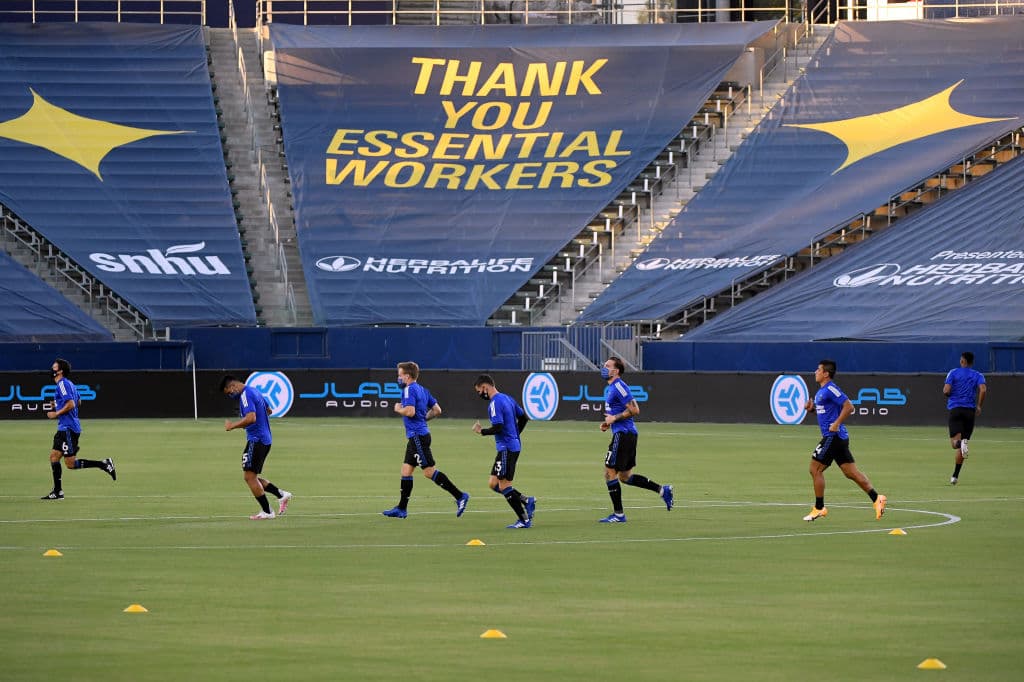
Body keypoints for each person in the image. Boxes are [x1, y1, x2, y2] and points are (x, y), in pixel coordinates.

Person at [382, 362, 469, 519]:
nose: (398, 378)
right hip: (417, 436)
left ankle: (460, 496)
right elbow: (437, 410)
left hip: (417, 437)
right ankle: (401, 508)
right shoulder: (423, 390)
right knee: (406, 471)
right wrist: (423, 420)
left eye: (400, 375)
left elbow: (410, 411)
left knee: (429, 472)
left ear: (407, 376)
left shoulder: (408, 390)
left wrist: (398, 409)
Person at [802, 360, 886, 522]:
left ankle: (819, 508)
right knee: (851, 473)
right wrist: (811, 409)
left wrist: (837, 423)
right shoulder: (821, 392)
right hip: (838, 437)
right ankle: (877, 498)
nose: (815, 372)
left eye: (818, 369)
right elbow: (825, 413)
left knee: (815, 469)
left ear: (826, 373)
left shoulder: (831, 388)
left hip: (833, 437)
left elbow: (849, 406)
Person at [597, 356, 673, 523]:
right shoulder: (612, 388)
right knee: (624, 477)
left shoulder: (619, 387)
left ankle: (618, 515)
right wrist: (608, 423)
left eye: (607, 366)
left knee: (609, 472)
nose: (604, 368)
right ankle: (662, 490)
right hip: (626, 434)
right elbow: (619, 412)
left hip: (624, 435)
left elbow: (635, 409)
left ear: (615, 371)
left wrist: (614, 419)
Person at [41, 358, 116, 500]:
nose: (51, 370)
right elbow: (78, 401)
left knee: (70, 464)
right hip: (65, 428)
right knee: (54, 457)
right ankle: (58, 492)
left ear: (60, 371)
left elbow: (71, 404)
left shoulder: (62, 384)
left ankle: (103, 464)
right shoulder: (70, 384)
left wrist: (56, 413)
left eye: (54, 367)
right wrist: (57, 403)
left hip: (68, 428)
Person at [221, 376, 292, 520]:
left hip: (257, 440)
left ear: (233, 386)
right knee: (252, 476)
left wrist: (232, 426)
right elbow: (269, 410)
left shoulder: (246, 395)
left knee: (249, 477)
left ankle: (267, 512)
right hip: (264, 439)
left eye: (228, 392)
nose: (230, 395)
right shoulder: (255, 391)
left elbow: (251, 418)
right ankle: (281, 495)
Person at [472, 374, 535, 529]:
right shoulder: (507, 398)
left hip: (506, 448)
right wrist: (514, 434)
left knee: (504, 485)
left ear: (485, 387)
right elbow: (524, 418)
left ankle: (524, 520)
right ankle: (527, 501)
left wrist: (482, 432)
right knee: (493, 483)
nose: (480, 394)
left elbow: (498, 427)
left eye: (479, 391)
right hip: (511, 446)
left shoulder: (494, 404)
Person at [944, 351, 986, 485]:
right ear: (972, 362)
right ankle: (955, 476)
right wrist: (979, 405)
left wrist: (948, 393)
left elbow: (946, 390)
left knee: (955, 444)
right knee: (963, 445)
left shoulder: (953, 373)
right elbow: (983, 389)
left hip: (956, 410)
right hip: (970, 412)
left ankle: (959, 443)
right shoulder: (978, 375)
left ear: (962, 361)